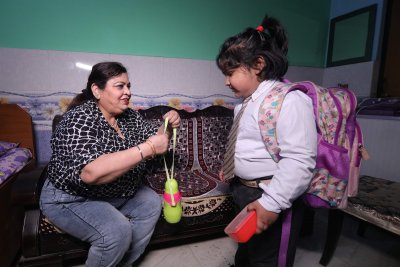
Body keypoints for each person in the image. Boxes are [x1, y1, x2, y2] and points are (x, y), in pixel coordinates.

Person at [40, 61, 181, 267]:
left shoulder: (130, 117)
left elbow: (156, 143)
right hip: (72, 199)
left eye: (129, 86)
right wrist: (147, 148)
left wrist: (167, 126)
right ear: (97, 90)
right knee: (116, 231)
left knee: (150, 203)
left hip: (113, 192)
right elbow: (91, 173)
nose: (128, 92)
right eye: (119, 86)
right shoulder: (79, 119)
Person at [217, 15, 317, 267]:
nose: (226, 81)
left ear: (258, 64)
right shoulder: (245, 103)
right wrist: (231, 167)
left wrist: (272, 203)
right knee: (248, 250)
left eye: (230, 73)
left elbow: (299, 160)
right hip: (243, 189)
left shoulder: (290, 100)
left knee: (269, 259)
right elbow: (247, 142)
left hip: (271, 193)